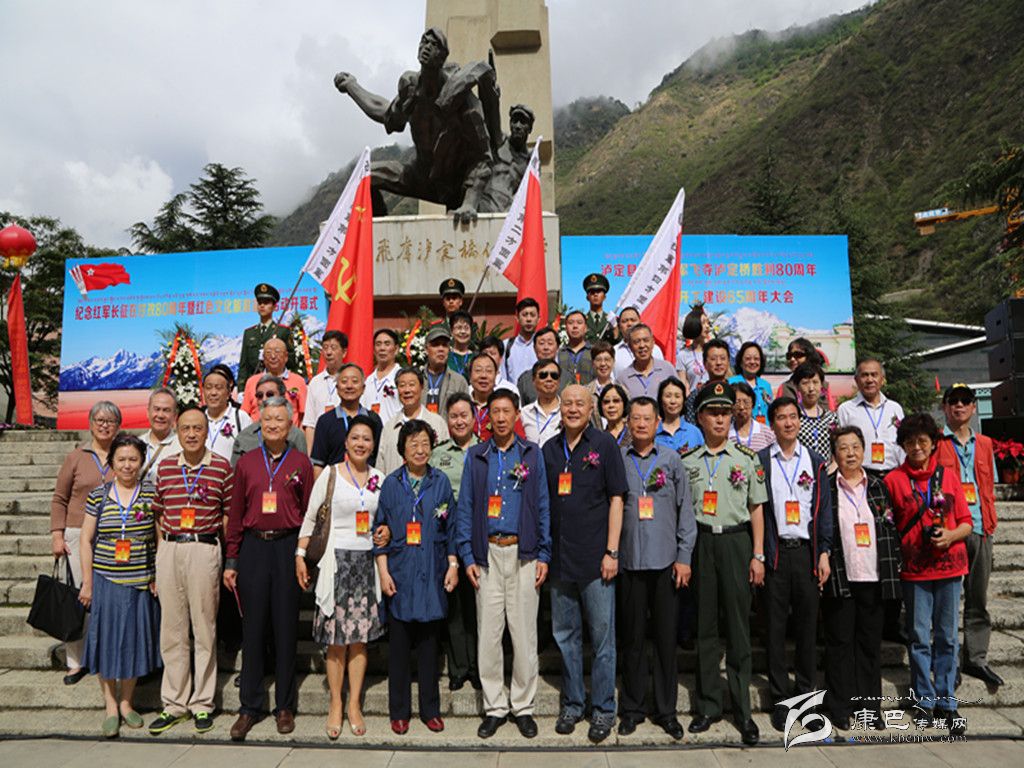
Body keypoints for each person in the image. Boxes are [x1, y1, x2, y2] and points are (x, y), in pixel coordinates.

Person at [456, 390, 551, 740]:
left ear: (515, 416)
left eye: (506, 411)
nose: (499, 417)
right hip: (487, 556)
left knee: (524, 634)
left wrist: (544, 553)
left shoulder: (532, 454)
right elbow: (466, 506)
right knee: (489, 634)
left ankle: (523, 706)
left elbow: (543, 504)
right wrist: (467, 555)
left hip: (524, 554)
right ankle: (495, 706)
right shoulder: (476, 456)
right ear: (488, 417)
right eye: (494, 411)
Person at [542, 384, 628, 743]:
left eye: (580, 403)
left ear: (591, 408)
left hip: (597, 560)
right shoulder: (549, 449)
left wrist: (612, 552)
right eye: (568, 404)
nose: (573, 409)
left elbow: (617, 499)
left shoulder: (604, 445)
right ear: (560, 408)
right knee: (566, 637)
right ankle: (574, 704)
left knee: (602, 639)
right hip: (561, 560)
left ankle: (604, 709)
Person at [224, 396, 314, 741]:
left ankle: (285, 706)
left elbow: (308, 514)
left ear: (290, 425)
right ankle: (249, 706)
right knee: (253, 628)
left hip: (287, 547)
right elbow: (235, 514)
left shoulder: (301, 462)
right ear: (259, 424)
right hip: (254, 548)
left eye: (279, 419)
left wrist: (304, 556)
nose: (273, 424)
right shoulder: (247, 462)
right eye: (268, 419)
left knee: (286, 628)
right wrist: (232, 560)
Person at [682, 381, 766, 746]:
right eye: (712, 413)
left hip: (736, 541)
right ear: (700, 418)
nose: (719, 419)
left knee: (737, 628)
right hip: (702, 542)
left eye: (725, 413)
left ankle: (742, 710)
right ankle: (708, 706)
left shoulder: (746, 458)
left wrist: (758, 554)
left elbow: (756, 508)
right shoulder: (688, 461)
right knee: (705, 627)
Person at [297, 416, 386, 739]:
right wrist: (300, 555)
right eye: (355, 438)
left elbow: (385, 519)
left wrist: (386, 532)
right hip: (336, 564)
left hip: (365, 564)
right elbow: (311, 517)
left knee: (359, 641)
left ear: (373, 445)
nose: (361, 443)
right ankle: (336, 702)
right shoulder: (331, 474)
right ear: (346, 443)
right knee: (336, 642)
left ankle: (355, 704)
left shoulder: (379, 479)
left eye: (367, 438)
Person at [147, 407, 234, 736]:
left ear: (206, 432)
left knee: (204, 628)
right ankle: (174, 703)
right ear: (177, 431)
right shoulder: (166, 467)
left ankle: (202, 703)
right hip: (170, 548)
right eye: (186, 428)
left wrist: (225, 556)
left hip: (203, 547)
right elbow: (158, 513)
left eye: (198, 428)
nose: (192, 434)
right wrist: (161, 551)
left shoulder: (221, 467)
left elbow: (227, 515)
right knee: (172, 630)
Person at [884, 413, 972, 735]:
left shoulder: (948, 476)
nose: (917, 447)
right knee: (920, 637)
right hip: (915, 570)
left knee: (947, 636)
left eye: (922, 441)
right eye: (910, 442)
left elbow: (966, 522)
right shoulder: (894, 480)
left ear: (933, 443)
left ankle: (947, 701)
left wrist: (950, 536)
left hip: (950, 567)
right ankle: (924, 699)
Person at [617, 396, 695, 740]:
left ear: (657, 422)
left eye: (647, 419)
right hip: (630, 562)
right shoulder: (618, 459)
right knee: (632, 640)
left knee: (665, 640)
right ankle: (632, 708)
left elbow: (685, 510)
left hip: (666, 562)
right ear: (628, 423)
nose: (641, 424)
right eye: (635, 418)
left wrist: (684, 556)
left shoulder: (671, 459)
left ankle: (666, 711)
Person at [374, 420, 458, 735]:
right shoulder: (391, 484)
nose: (420, 450)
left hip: (432, 573)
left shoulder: (440, 482)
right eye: (413, 444)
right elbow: (379, 530)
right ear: (402, 450)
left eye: (425, 443)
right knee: (398, 650)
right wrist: (383, 572)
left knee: (429, 648)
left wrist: (453, 565)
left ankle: (430, 710)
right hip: (400, 573)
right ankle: (399, 712)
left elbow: (451, 528)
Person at [757, 397, 833, 733]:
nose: (788, 423)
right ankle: (779, 699)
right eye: (781, 418)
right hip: (775, 552)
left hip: (806, 553)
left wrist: (824, 552)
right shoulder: (762, 461)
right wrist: (759, 554)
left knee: (806, 630)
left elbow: (824, 509)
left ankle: (806, 700)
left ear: (799, 421)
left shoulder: (815, 462)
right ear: (772, 423)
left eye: (793, 417)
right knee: (774, 630)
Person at [78, 433, 160, 739]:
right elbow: (86, 540)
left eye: (133, 459)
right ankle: (110, 705)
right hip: (106, 580)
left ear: (141, 462)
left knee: (134, 641)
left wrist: (156, 574)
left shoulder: (151, 493)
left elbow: (158, 537)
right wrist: (88, 582)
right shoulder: (99, 495)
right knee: (106, 641)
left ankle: (127, 701)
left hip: (139, 581)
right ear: (111, 462)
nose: (127, 465)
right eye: (121, 459)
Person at [822, 426, 901, 730]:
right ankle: (839, 707)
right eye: (843, 448)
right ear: (835, 453)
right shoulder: (827, 488)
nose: (850, 453)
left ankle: (870, 707)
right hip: (841, 575)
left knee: (869, 644)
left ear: (864, 450)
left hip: (873, 575)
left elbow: (889, 527)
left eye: (855, 447)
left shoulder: (878, 486)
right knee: (840, 644)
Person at [936, 384, 1002, 687]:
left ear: (974, 407)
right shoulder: (937, 443)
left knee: (978, 598)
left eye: (965, 401)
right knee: (947, 602)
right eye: (953, 401)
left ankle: (976, 658)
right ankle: (948, 662)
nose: (959, 406)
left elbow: (988, 485)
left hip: (980, 527)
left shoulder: (985, 443)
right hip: (951, 530)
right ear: (945, 407)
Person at [51, 400, 120, 686]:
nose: (104, 425)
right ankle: (75, 662)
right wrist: (57, 534)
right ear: (90, 424)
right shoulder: (76, 457)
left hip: (113, 536)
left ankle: (102, 654)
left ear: (118, 426)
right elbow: (60, 498)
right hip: (78, 534)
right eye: (99, 420)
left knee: (107, 599)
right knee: (79, 597)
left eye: (110, 421)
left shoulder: (122, 455)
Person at [430, 393, 481, 693]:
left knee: (478, 606)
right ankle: (458, 668)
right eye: (454, 416)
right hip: (446, 536)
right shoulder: (438, 454)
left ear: (474, 418)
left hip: (478, 536)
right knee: (453, 607)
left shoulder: (485, 450)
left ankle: (477, 667)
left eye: (464, 415)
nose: (459, 421)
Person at [310, 364, 383, 477]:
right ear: (337, 388)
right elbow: (319, 464)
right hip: (335, 483)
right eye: (344, 381)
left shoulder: (374, 420)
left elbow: (380, 459)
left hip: (366, 483)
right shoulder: (325, 421)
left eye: (355, 381)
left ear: (363, 388)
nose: (349, 386)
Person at [837, 358, 905, 475]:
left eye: (874, 375)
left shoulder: (895, 408)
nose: (869, 380)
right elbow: (839, 444)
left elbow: (902, 444)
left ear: (882, 379)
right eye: (864, 375)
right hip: (861, 475)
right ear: (856, 380)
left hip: (893, 473)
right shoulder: (846, 409)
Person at [377, 368, 450, 474]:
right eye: (402, 385)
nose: (407, 390)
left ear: (422, 387)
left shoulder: (437, 423)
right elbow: (380, 468)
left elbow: (447, 463)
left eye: (412, 385)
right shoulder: (389, 428)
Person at [232, 375, 308, 467]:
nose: (264, 399)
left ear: (282, 397)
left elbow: (303, 469)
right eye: (259, 396)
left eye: (270, 394)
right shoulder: (245, 436)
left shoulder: (296, 436)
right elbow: (236, 473)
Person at [241, 337, 307, 427]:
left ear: (286, 357)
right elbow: (244, 414)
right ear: (263, 357)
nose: (273, 356)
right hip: (257, 434)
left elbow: (304, 415)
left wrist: (299, 434)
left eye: (277, 352)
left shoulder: (298, 381)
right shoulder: (252, 381)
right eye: (268, 352)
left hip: (289, 434)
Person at [237, 283, 293, 386]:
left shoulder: (282, 331)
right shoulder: (249, 333)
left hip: (277, 383)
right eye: (259, 303)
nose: (262, 306)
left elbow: (291, 361)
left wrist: (274, 354)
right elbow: (244, 365)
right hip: (254, 383)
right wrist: (241, 389)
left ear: (274, 306)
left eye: (266, 303)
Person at [303, 330, 349, 446]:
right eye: (325, 348)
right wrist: (311, 454)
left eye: (333, 348)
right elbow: (310, 424)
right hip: (321, 443)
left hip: (346, 442)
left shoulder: (351, 380)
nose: (328, 352)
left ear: (344, 352)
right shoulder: (315, 382)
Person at [202, 364, 252, 462]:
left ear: (229, 393)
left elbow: (251, 453)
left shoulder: (241, 417)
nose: (213, 393)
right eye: (208, 387)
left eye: (218, 388)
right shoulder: (197, 417)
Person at [422, 324, 469, 417]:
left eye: (444, 345)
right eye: (435, 345)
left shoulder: (459, 381)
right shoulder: (416, 378)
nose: (441, 349)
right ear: (426, 349)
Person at [620, 323, 676, 400]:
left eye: (646, 340)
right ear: (630, 346)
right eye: (637, 342)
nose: (642, 345)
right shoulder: (623, 378)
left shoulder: (667, 369)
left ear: (653, 343)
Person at [794, 362, 837, 459]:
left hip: (826, 467)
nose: (811, 388)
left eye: (815, 382)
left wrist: (834, 463)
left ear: (821, 385)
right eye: (805, 383)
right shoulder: (793, 417)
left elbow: (837, 446)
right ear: (797, 387)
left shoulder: (831, 418)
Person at [683, 339, 731, 424]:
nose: (718, 363)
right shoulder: (695, 396)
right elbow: (692, 427)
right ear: (705, 364)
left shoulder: (735, 392)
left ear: (728, 362)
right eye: (713, 359)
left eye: (723, 358)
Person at [140, 388, 182, 485]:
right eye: (156, 409)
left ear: (175, 415)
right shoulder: (137, 443)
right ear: (148, 412)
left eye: (166, 410)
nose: (160, 415)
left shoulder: (181, 446)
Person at [360, 328, 402, 422]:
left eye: (387, 344)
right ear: (374, 350)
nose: (382, 348)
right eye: (378, 344)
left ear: (396, 349)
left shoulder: (402, 377)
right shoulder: (368, 380)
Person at [655, 377, 704, 455]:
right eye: (668, 396)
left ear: (683, 400)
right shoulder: (653, 433)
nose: (673, 401)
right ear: (660, 400)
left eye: (677, 396)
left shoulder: (694, 432)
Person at [727, 341, 772, 423]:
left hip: (763, 429)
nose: (752, 362)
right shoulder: (731, 383)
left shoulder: (766, 385)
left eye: (756, 359)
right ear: (741, 362)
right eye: (748, 358)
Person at [521, 359, 562, 447]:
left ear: (559, 381)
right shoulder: (524, 413)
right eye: (543, 375)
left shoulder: (568, 411)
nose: (549, 379)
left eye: (554, 376)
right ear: (533, 380)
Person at [613, 306, 664, 376]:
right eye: (624, 321)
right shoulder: (614, 352)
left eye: (633, 320)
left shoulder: (655, 349)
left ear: (640, 323)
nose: (629, 324)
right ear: (619, 326)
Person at [516, 326, 559, 405]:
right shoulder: (525, 379)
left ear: (557, 347)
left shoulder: (568, 377)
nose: (546, 348)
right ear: (534, 348)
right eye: (541, 343)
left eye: (550, 343)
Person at [728, 382, 776, 453]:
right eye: (737, 402)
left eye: (746, 402)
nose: (742, 407)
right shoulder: (726, 434)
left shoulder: (767, 433)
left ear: (752, 404)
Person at [504, 298, 541, 383]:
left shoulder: (544, 347)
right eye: (524, 315)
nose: (528, 319)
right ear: (517, 318)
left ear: (538, 319)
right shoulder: (506, 346)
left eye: (532, 315)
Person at [678, 304, 711, 394]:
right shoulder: (683, 355)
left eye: (708, 323)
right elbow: (682, 385)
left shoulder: (713, 351)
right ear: (694, 325)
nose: (707, 326)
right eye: (703, 323)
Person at [558, 310, 595, 387]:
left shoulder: (594, 352)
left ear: (585, 328)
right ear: (566, 328)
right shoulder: (558, 353)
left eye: (579, 322)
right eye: (571, 323)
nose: (575, 326)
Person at [582, 272, 616, 344]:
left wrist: (615, 326)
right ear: (587, 297)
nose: (595, 294)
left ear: (604, 297)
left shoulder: (610, 320)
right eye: (592, 292)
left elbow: (617, 341)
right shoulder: (582, 321)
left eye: (599, 291)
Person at [597, 383, 631, 448]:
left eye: (616, 401)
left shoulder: (634, 437)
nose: (611, 405)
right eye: (606, 402)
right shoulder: (598, 440)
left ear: (624, 404)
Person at [586, 341, 616, 408]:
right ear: (593, 363)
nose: (603, 364)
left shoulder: (622, 390)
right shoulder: (586, 392)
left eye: (607, 359)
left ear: (613, 362)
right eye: (598, 360)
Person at [448, 311, 475, 378]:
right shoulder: (446, 356)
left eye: (466, 328)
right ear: (451, 331)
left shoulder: (476, 357)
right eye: (459, 328)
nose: (463, 332)